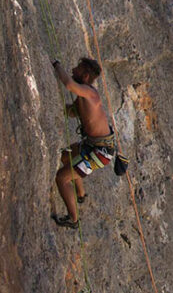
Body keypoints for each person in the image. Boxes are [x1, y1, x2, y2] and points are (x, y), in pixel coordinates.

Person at [52, 57, 116, 230]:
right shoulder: (84, 96)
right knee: (66, 156)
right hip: (94, 146)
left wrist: (57, 65)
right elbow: (73, 112)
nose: (73, 69)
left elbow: (69, 84)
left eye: (78, 68)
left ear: (86, 76)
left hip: (100, 153)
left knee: (61, 178)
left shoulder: (90, 93)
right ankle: (80, 194)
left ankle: (73, 220)